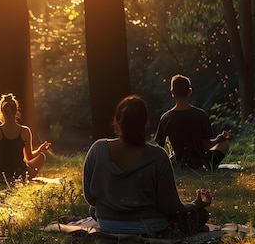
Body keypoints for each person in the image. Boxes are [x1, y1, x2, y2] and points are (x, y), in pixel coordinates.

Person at [83, 95, 212, 236]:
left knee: (92, 209)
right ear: (146, 123)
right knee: (201, 215)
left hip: (108, 224)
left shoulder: (97, 149)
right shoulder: (158, 156)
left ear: (117, 121)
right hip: (151, 228)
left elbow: (91, 198)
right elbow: (170, 207)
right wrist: (195, 204)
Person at [154, 74, 231, 170]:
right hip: (201, 162)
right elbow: (206, 146)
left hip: (178, 163)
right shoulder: (201, 115)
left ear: (172, 92)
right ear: (189, 92)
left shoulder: (166, 118)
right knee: (223, 144)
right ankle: (209, 166)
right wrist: (219, 139)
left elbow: (159, 148)